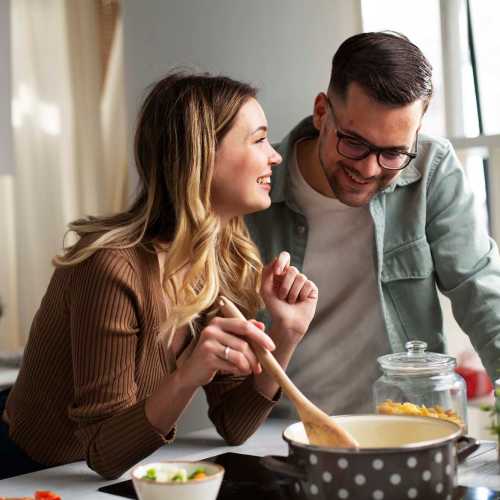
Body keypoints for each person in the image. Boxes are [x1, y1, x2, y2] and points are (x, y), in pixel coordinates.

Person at [0, 72, 318, 480]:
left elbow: (235, 426)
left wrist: (285, 336)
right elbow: (103, 454)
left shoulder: (224, 259)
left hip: (94, 478)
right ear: (202, 156)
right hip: (25, 473)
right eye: (258, 139)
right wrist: (187, 375)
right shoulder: (110, 269)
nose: (274, 156)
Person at [245, 31, 500, 419]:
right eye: (354, 142)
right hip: (283, 432)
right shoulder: (255, 184)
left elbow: (480, 288)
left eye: (394, 152)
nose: (368, 169)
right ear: (321, 112)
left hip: (409, 424)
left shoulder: (431, 167)